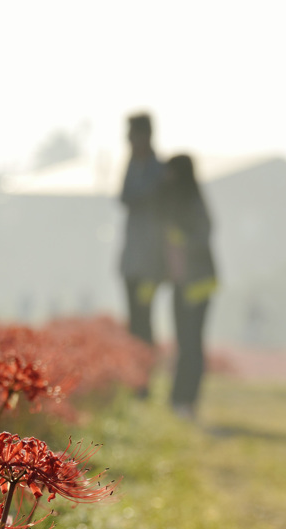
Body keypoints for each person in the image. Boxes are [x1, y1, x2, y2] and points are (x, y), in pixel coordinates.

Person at [159, 154, 217, 418]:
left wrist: (181, 239)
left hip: (198, 284)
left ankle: (187, 400)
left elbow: (202, 237)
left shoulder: (193, 202)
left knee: (192, 342)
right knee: (184, 342)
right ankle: (178, 399)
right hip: (182, 283)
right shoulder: (176, 201)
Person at [119, 113, 166, 351]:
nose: (128, 141)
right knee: (134, 320)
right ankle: (137, 376)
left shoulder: (159, 170)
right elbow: (124, 198)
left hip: (150, 261)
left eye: (131, 135)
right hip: (131, 259)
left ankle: (144, 376)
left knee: (143, 317)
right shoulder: (132, 166)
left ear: (144, 136)